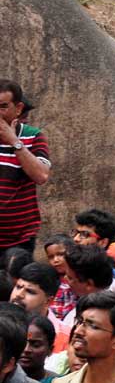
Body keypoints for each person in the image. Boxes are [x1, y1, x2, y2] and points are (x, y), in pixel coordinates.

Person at [0, 80, 51, 256]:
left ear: (19, 108)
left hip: (18, 240)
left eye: (3, 106)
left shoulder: (33, 136)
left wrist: (14, 141)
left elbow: (41, 176)